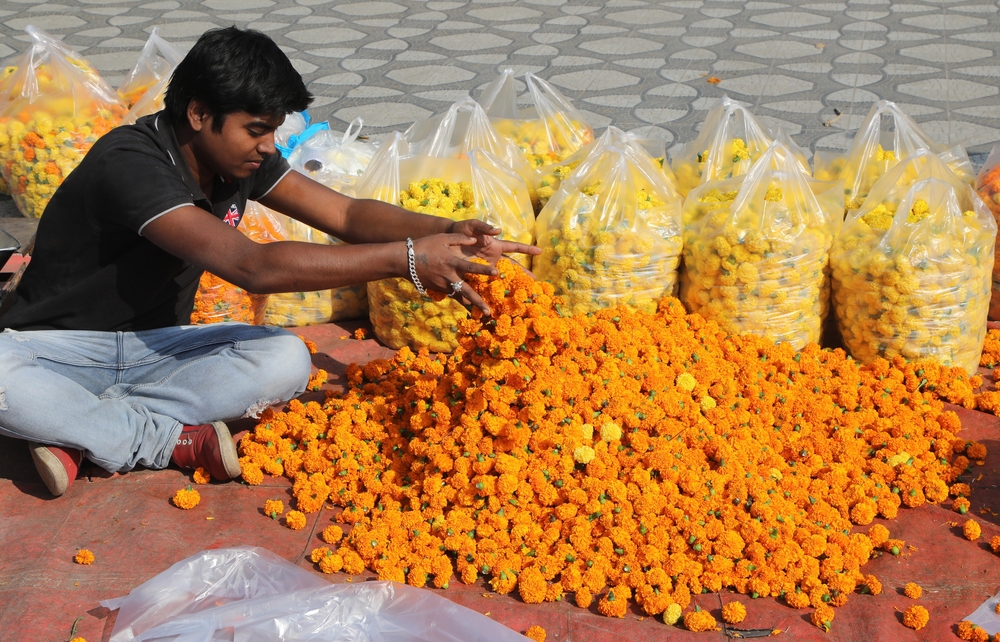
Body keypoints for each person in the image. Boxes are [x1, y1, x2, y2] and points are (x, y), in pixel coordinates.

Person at [0, 27, 539, 498]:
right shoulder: (131, 164)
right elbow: (253, 267)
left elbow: (347, 215)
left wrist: (444, 230)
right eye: (256, 128)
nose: (268, 145)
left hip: (155, 349)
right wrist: (407, 260)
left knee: (285, 359)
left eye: (274, 129)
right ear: (198, 114)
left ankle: (80, 430)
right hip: (52, 349)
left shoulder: (239, 162)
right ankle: (162, 440)